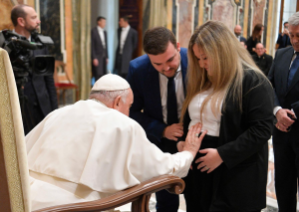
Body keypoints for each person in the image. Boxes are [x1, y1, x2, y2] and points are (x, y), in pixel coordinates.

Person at [27, 74, 206, 211]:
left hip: (25, 199)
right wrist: (187, 154)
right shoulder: (122, 124)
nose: (128, 113)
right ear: (118, 102)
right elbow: (160, 167)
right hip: (73, 207)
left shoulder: (58, 113)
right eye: (129, 106)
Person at [178, 21, 274, 211]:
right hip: (198, 172)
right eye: (197, 58)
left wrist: (222, 154)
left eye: (205, 57)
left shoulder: (252, 81)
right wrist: (183, 143)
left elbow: (262, 130)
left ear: (221, 52)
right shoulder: (204, 78)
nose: (201, 64)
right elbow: (194, 118)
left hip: (233, 171)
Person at [127, 27, 188, 212]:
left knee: (198, 198)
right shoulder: (138, 69)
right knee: (166, 202)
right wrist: (162, 129)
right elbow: (132, 112)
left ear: (177, 47)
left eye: (170, 60)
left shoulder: (195, 60)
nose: (166, 68)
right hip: (160, 143)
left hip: (193, 140)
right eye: (158, 64)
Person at [268, 10, 299, 211]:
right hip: (281, 135)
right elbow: (268, 86)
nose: (294, 41)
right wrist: (277, 110)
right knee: (283, 188)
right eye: (291, 35)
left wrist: (292, 113)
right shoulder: (281, 54)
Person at [11, 4, 58, 135]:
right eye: (33, 18)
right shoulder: (6, 46)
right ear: (21, 21)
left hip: (43, 106)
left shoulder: (41, 43)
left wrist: (54, 109)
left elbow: (49, 79)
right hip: (20, 108)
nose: (38, 21)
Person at [91, 16, 108, 81]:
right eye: (103, 22)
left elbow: (106, 46)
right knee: (98, 74)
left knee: (104, 74)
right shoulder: (93, 31)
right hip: (97, 57)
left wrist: (107, 57)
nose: (105, 24)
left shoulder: (105, 32)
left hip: (103, 56)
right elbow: (92, 45)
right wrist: (94, 57)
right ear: (99, 22)